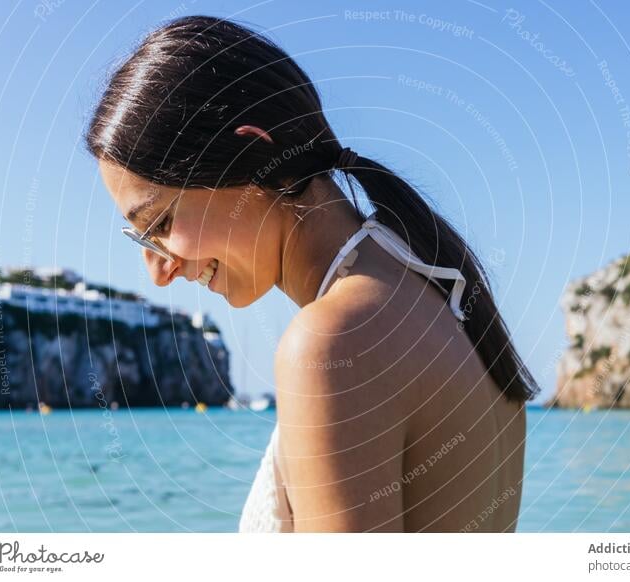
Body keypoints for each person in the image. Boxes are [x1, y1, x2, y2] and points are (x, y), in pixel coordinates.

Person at [85, 15, 540, 532]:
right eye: (142, 239)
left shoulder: (333, 344)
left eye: (161, 222)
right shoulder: (443, 295)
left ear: (253, 152)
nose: (158, 271)